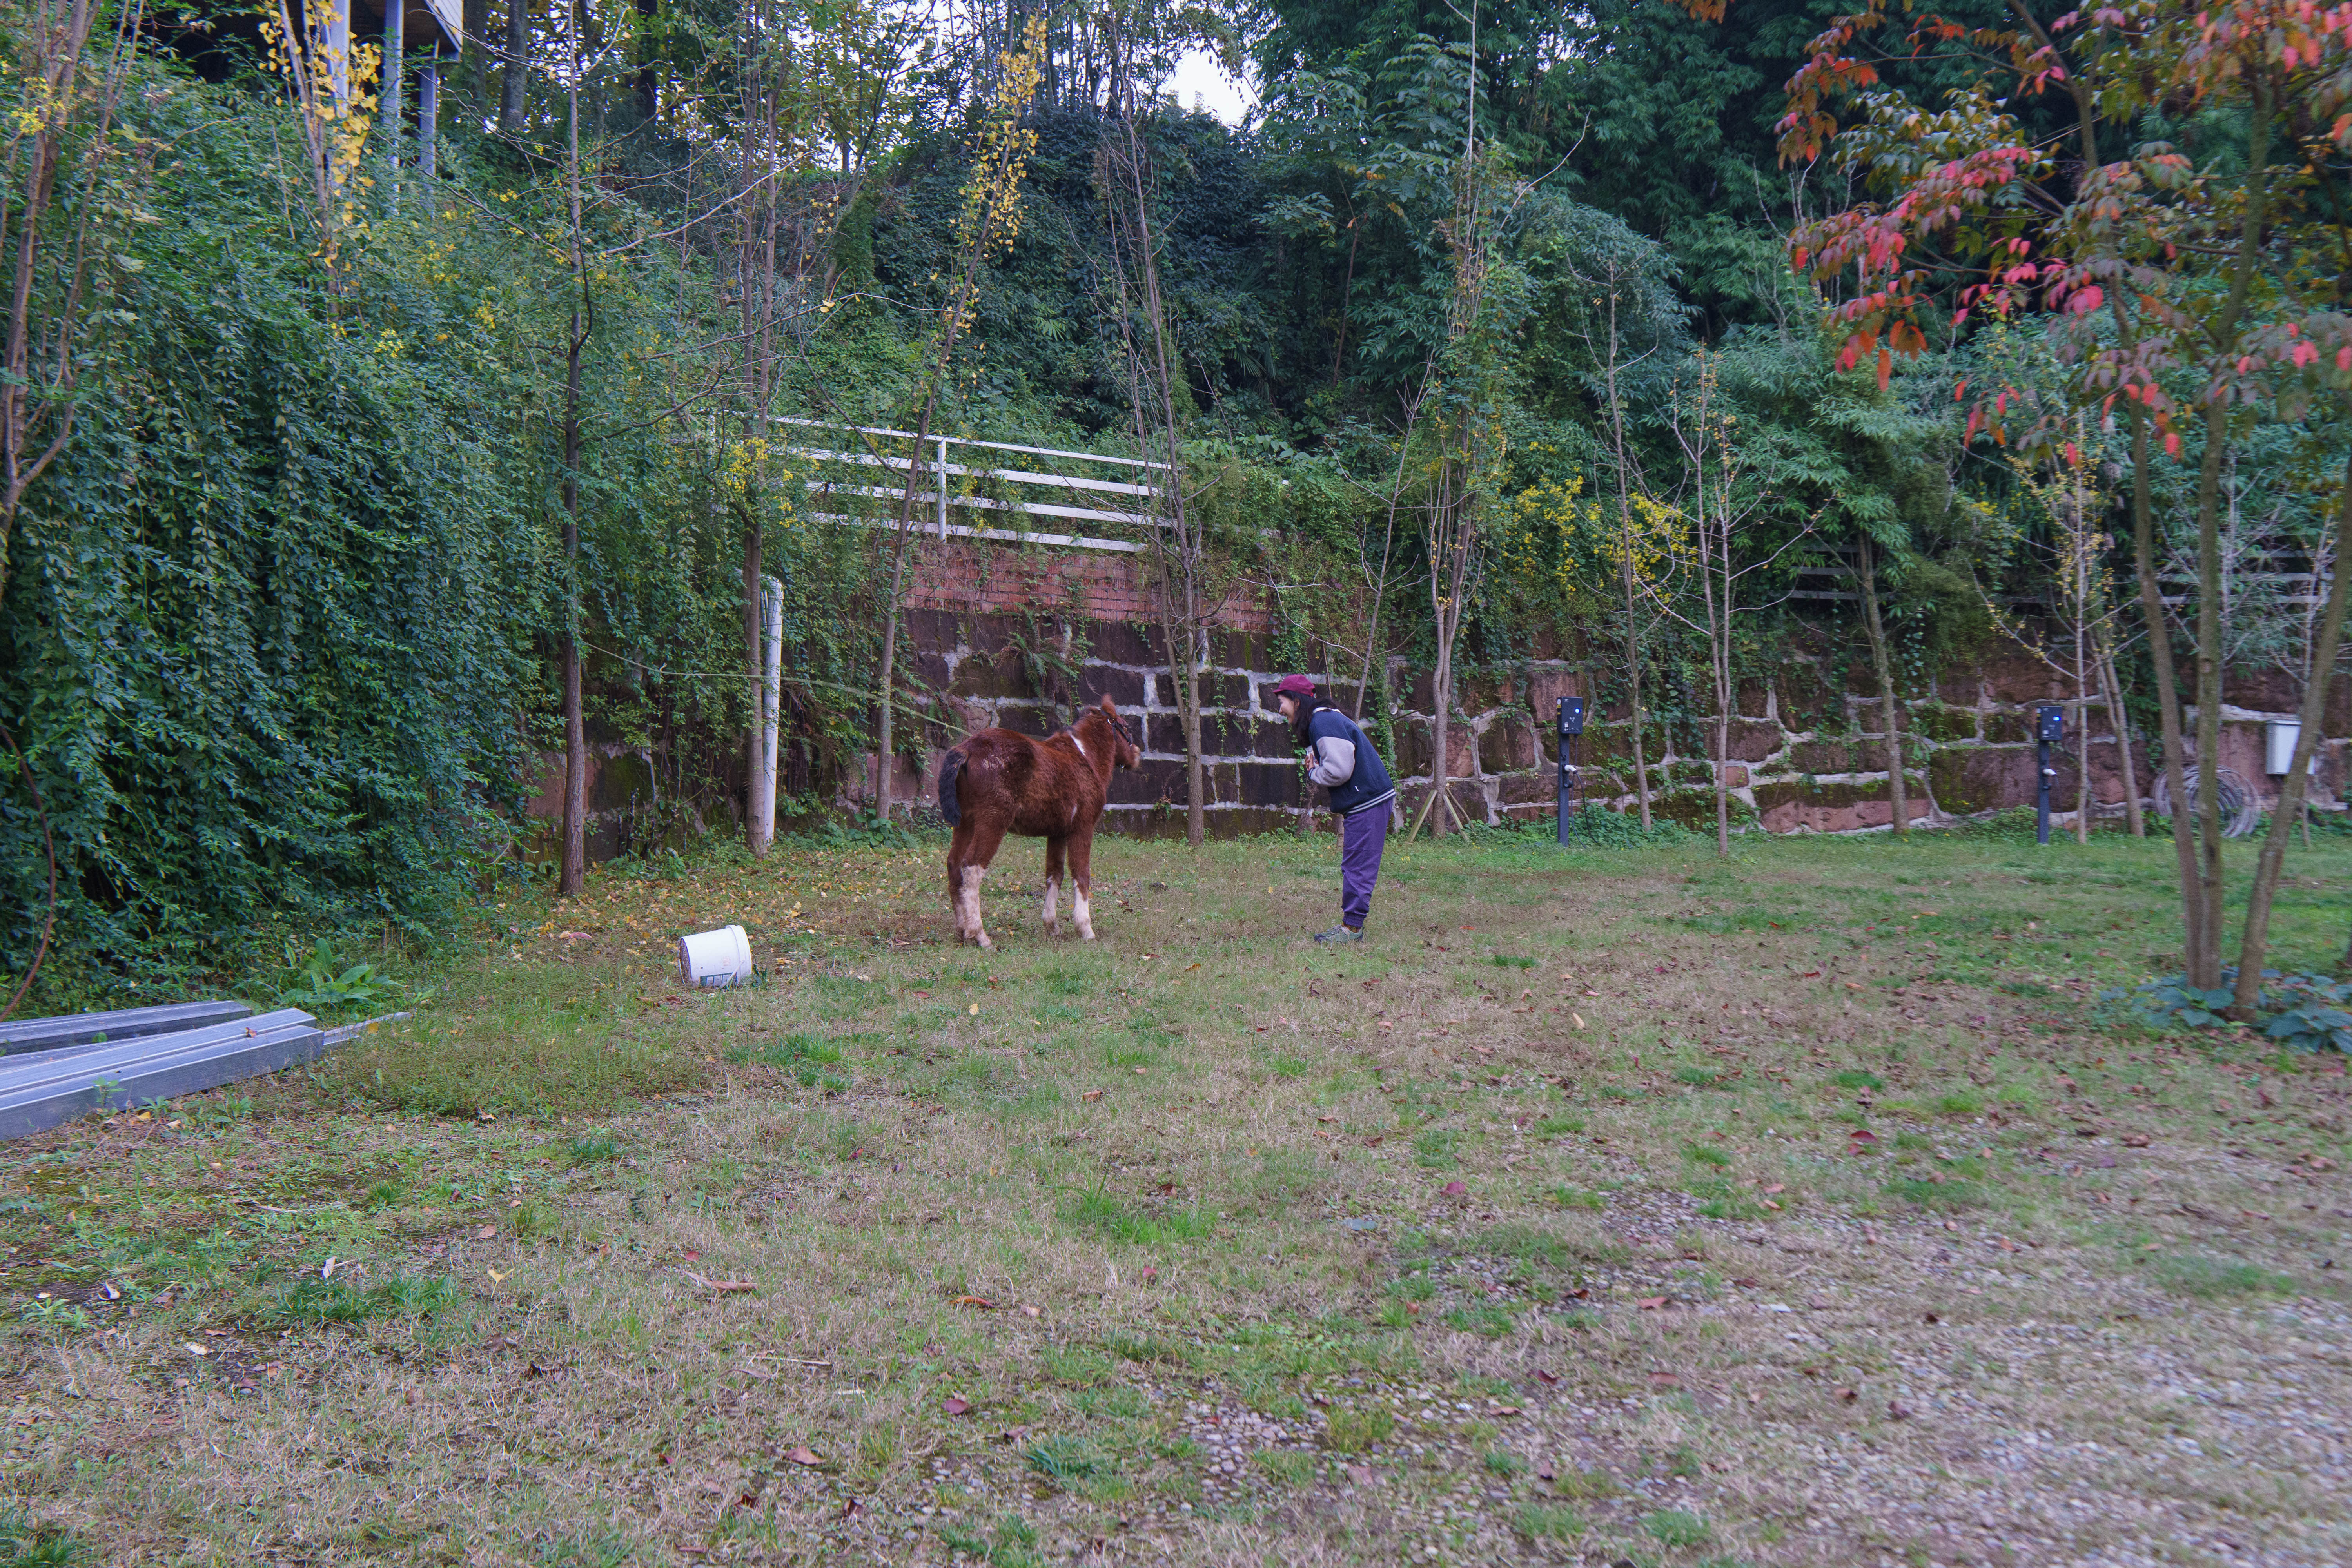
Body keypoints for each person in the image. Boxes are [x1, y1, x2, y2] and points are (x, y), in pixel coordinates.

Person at [1272, 674, 1396, 943]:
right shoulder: (1325, 719)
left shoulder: (1323, 721)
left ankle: (1352, 929)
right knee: (1356, 863)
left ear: (1296, 701)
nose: (1280, 709)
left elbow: (1339, 770)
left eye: (1282, 702)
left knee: (1358, 865)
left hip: (1368, 801)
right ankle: (1351, 925)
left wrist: (1314, 773)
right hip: (1368, 799)